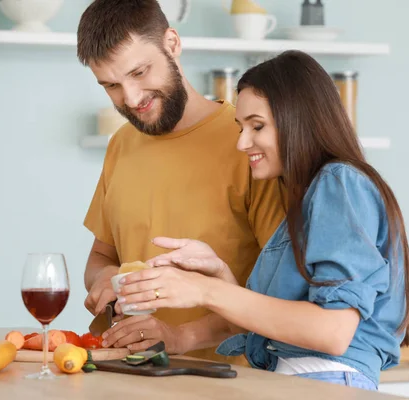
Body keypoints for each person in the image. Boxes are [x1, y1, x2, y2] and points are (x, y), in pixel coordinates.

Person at [108, 50, 409, 390]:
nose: (242, 142)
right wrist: (199, 306)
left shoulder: (339, 182)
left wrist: (204, 290)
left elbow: (331, 331)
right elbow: (274, 319)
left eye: (257, 126)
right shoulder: (310, 199)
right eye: (241, 127)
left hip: (324, 381)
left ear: (299, 118)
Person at [76, 0, 285, 364]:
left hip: (233, 381)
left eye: (139, 72)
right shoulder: (121, 145)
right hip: (133, 377)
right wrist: (104, 278)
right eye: (110, 85)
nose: (131, 98)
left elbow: (278, 294)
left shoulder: (249, 143)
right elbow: (101, 255)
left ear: (172, 44)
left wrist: (179, 337)